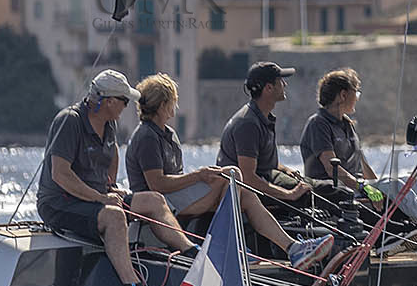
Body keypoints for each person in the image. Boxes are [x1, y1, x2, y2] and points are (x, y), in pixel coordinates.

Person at [126, 73, 334, 271]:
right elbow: (157, 184)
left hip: (176, 197)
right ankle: (234, 249)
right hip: (162, 203)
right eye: (173, 101)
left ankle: (293, 249)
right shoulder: (147, 137)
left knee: (244, 193)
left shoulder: (168, 134)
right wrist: (199, 175)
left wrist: (206, 174)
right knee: (232, 175)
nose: (175, 106)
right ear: (163, 104)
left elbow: (177, 178)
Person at [37, 69, 190, 286]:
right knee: (115, 216)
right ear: (108, 101)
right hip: (59, 203)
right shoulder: (70, 121)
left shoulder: (109, 124)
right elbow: (61, 174)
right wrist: (100, 197)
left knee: (154, 200)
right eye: (124, 101)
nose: (127, 106)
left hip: (94, 198)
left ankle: (191, 252)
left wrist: (111, 186)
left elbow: (112, 153)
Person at [299, 67, 417, 255]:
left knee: (410, 181)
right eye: (355, 93)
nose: (357, 97)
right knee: (398, 185)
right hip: (334, 193)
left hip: (357, 187)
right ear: (342, 95)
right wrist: (366, 188)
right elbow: (331, 167)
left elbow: (363, 166)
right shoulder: (319, 124)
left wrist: (376, 187)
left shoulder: (347, 125)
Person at [218, 62, 316, 210]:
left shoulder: (262, 117)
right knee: (308, 193)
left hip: (266, 176)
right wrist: (289, 194)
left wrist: (286, 170)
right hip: (242, 191)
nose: (285, 85)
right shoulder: (248, 124)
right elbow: (247, 177)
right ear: (268, 88)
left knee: (317, 186)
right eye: (281, 81)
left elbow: (265, 163)